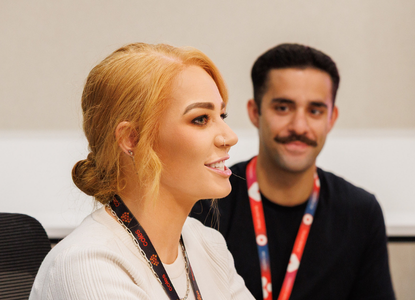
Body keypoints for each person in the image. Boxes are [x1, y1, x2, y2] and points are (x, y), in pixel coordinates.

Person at [30, 43, 253, 299]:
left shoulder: (207, 245)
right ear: (131, 139)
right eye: (200, 119)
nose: (230, 137)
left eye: (222, 116)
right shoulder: (87, 263)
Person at [190, 43, 396, 300]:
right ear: (255, 113)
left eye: (315, 111)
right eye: (283, 108)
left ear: (331, 118)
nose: (299, 126)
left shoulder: (360, 212)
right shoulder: (207, 203)